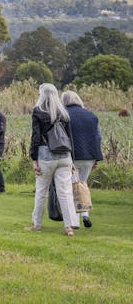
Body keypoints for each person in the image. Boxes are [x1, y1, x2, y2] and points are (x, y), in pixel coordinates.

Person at [29, 83, 76, 237]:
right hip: (65, 156)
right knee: (65, 192)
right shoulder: (64, 113)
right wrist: (73, 160)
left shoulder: (38, 111)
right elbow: (70, 138)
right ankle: (69, 226)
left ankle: (37, 224)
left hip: (46, 155)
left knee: (41, 191)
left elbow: (36, 137)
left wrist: (33, 158)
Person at [61, 91, 103, 228]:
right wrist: (96, 157)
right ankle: (85, 215)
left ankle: (74, 221)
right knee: (82, 184)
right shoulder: (91, 115)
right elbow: (98, 137)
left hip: (72, 156)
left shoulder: (63, 115)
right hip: (89, 157)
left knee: (72, 187)